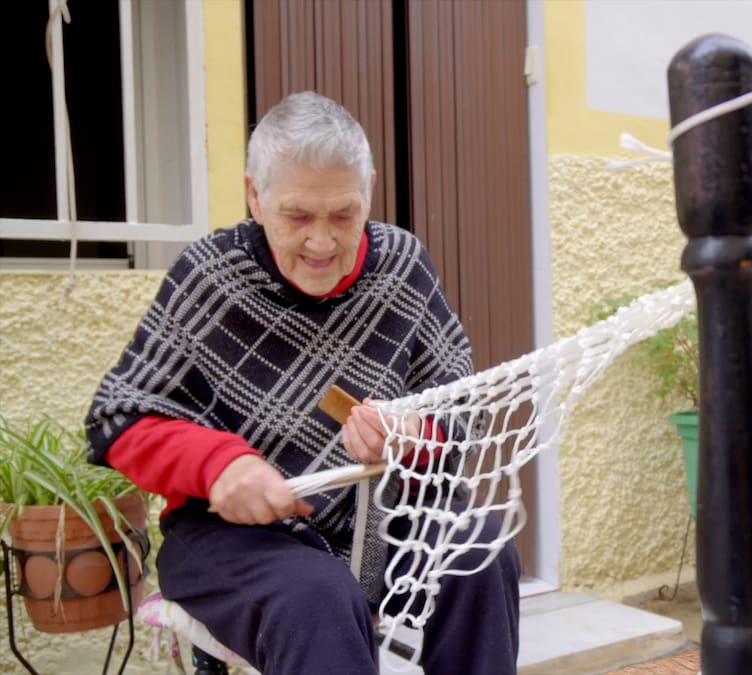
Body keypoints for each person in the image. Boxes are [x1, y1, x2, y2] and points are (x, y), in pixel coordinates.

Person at [86, 91, 520, 674]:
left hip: (378, 516)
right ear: (254, 196)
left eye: (344, 214)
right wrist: (220, 465)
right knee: (316, 595)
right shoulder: (210, 276)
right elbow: (117, 417)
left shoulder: (402, 266)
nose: (322, 243)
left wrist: (412, 433)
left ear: (368, 186)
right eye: (297, 216)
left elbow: (461, 404)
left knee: (480, 545)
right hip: (231, 537)